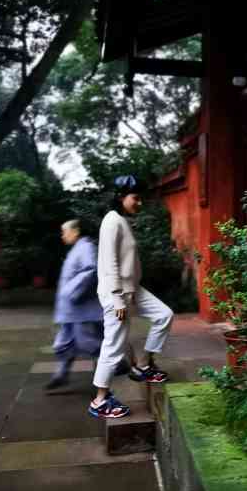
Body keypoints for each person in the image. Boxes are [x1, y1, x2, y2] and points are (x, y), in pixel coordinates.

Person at [88, 175, 174, 419]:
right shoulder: (111, 221)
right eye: (135, 198)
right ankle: (100, 400)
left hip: (132, 289)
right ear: (120, 197)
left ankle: (144, 365)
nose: (140, 203)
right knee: (113, 345)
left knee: (163, 315)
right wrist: (116, 298)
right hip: (118, 293)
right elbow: (108, 262)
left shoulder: (122, 221)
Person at [45, 219, 104, 391]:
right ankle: (61, 374)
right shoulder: (77, 249)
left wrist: (72, 291)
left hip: (80, 309)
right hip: (70, 310)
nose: (63, 235)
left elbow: (91, 270)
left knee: (87, 343)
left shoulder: (86, 247)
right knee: (63, 344)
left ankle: (116, 363)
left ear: (76, 231)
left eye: (65, 231)